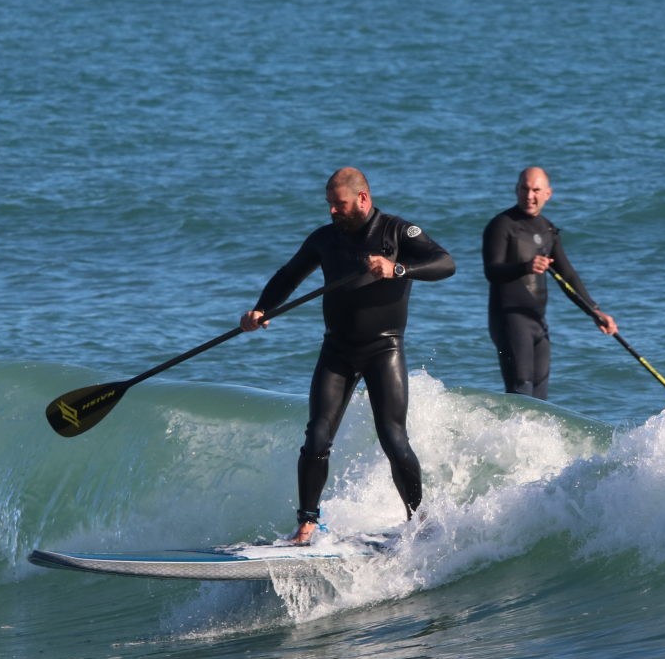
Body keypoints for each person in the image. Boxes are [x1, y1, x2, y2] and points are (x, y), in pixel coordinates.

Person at [241, 168, 455, 545]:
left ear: (362, 199)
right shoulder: (325, 239)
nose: (332, 212)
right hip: (337, 350)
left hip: (383, 348)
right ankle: (306, 524)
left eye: (338, 205)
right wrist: (262, 309)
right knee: (317, 436)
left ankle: (420, 521)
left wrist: (397, 268)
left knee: (393, 437)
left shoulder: (397, 232)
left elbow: (445, 263)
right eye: (329, 205)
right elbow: (289, 275)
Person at [481, 167, 617, 399]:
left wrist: (594, 311)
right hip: (508, 320)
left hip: (537, 321)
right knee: (520, 389)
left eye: (536, 190)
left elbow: (568, 277)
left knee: (541, 398)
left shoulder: (547, 229)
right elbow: (492, 272)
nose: (529, 195)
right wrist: (526, 266)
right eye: (524, 189)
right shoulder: (502, 225)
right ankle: (510, 436)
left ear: (548, 194)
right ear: (516, 189)